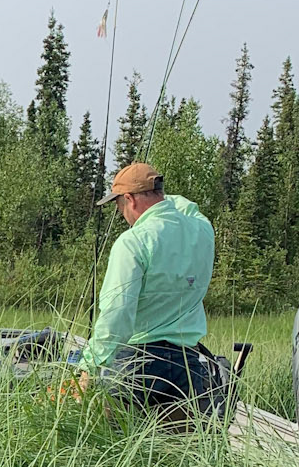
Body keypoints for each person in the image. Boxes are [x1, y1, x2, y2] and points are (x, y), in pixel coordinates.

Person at [75, 162, 218, 413]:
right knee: (179, 450)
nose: (122, 214)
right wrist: (159, 195)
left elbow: (116, 314)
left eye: (119, 205)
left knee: (116, 447)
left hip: (136, 366)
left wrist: (89, 365)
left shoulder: (133, 242)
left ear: (129, 199)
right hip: (188, 368)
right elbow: (189, 206)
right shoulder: (203, 230)